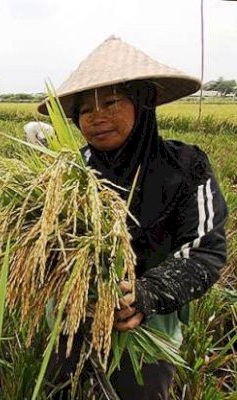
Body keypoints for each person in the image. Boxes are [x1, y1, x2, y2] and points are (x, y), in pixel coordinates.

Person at [37, 36, 228, 399]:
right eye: (84, 109)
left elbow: (206, 250)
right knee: (62, 390)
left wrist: (145, 294)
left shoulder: (186, 167)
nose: (96, 117)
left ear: (143, 104)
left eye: (111, 102)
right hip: (72, 322)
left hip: (147, 331)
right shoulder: (70, 172)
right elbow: (40, 246)